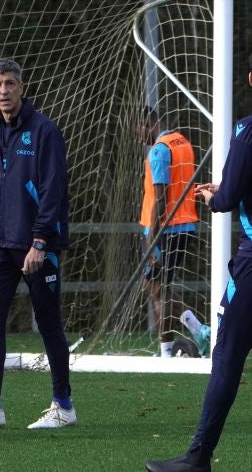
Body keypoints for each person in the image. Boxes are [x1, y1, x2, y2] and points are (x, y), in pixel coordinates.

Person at [0, 58, 75, 430]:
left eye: (9, 83)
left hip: (38, 245)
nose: (3, 90)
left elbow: (54, 190)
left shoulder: (44, 130)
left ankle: (64, 406)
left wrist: (39, 240)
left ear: (22, 86)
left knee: (49, 324)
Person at [145, 60, 252, 472]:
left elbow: (227, 201)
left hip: (251, 264)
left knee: (226, 356)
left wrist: (215, 196)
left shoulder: (246, 130)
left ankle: (198, 457)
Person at [137, 108, 199, 357]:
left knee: (157, 290)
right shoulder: (182, 142)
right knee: (158, 287)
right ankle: (171, 347)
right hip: (185, 224)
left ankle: (193, 334)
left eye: (138, 129)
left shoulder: (160, 150)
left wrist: (152, 235)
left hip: (165, 230)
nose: (138, 136)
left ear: (148, 123)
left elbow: (161, 198)